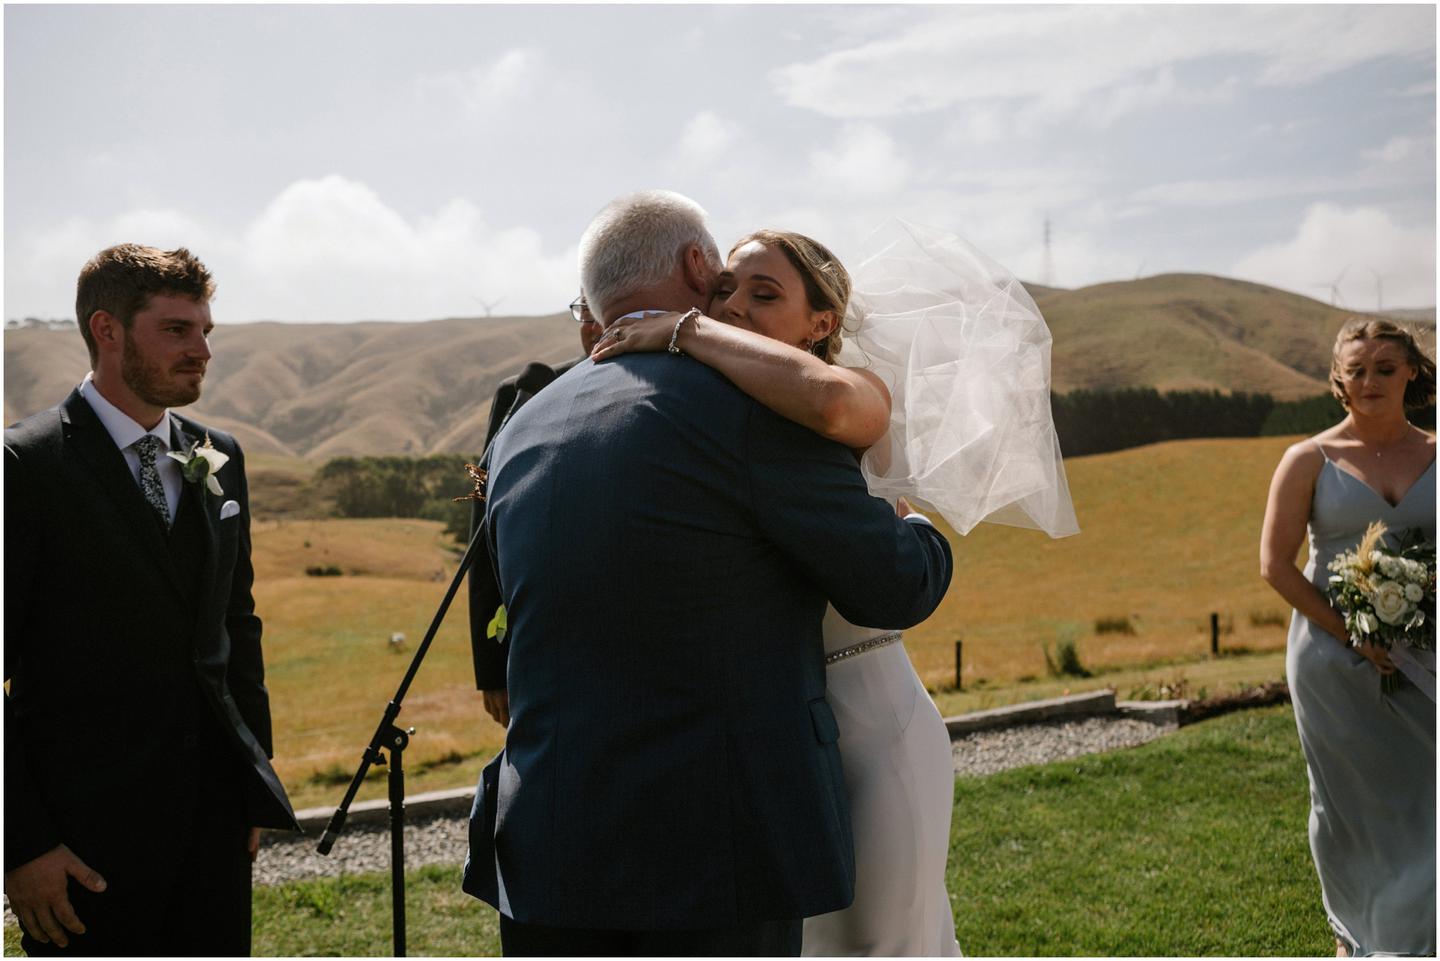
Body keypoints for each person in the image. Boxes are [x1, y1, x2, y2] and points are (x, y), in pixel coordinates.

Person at [461, 190, 954, 956]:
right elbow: (896, 583)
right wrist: (921, 533)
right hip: (713, 859)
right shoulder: (749, 409)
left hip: (547, 852)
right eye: (726, 280)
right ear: (698, 265)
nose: (734, 303)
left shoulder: (523, 427)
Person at [593, 222, 1077, 955]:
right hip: (781, 748)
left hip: (877, 730)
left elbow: (830, 406)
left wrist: (685, 329)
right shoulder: (725, 414)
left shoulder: (851, 392)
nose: (735, 306)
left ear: (821, 324)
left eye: (765, 294)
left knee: (889, 944)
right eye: (725, 289)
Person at [4, 244, 300, 956]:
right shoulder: (24, 466)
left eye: (205, 330)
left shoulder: (221, 453)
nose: (202, 351)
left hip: (214, 823)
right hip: (83, 844)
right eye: (176, 329)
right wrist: (23, 843)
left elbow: (237, 624)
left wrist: (251, 777)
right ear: (106, 330)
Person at [1259, 318, 1435, 957]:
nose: (1370, 382)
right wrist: (1354, 636)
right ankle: (1355, 937)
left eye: (1385, 369)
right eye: (1356, 371)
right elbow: (1276, 565)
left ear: (1411, 372)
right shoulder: (1307, 460)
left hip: (1429, 656)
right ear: (1338, 379)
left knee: (1427, 800)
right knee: (1352, 809)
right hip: (1332, 663)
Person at [468, 292, 599, 725]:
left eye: (605, 310)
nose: (595, 326)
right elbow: (484, 534)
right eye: (586, 311)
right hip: (541, 653)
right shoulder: (524, 393)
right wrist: (492, 668)